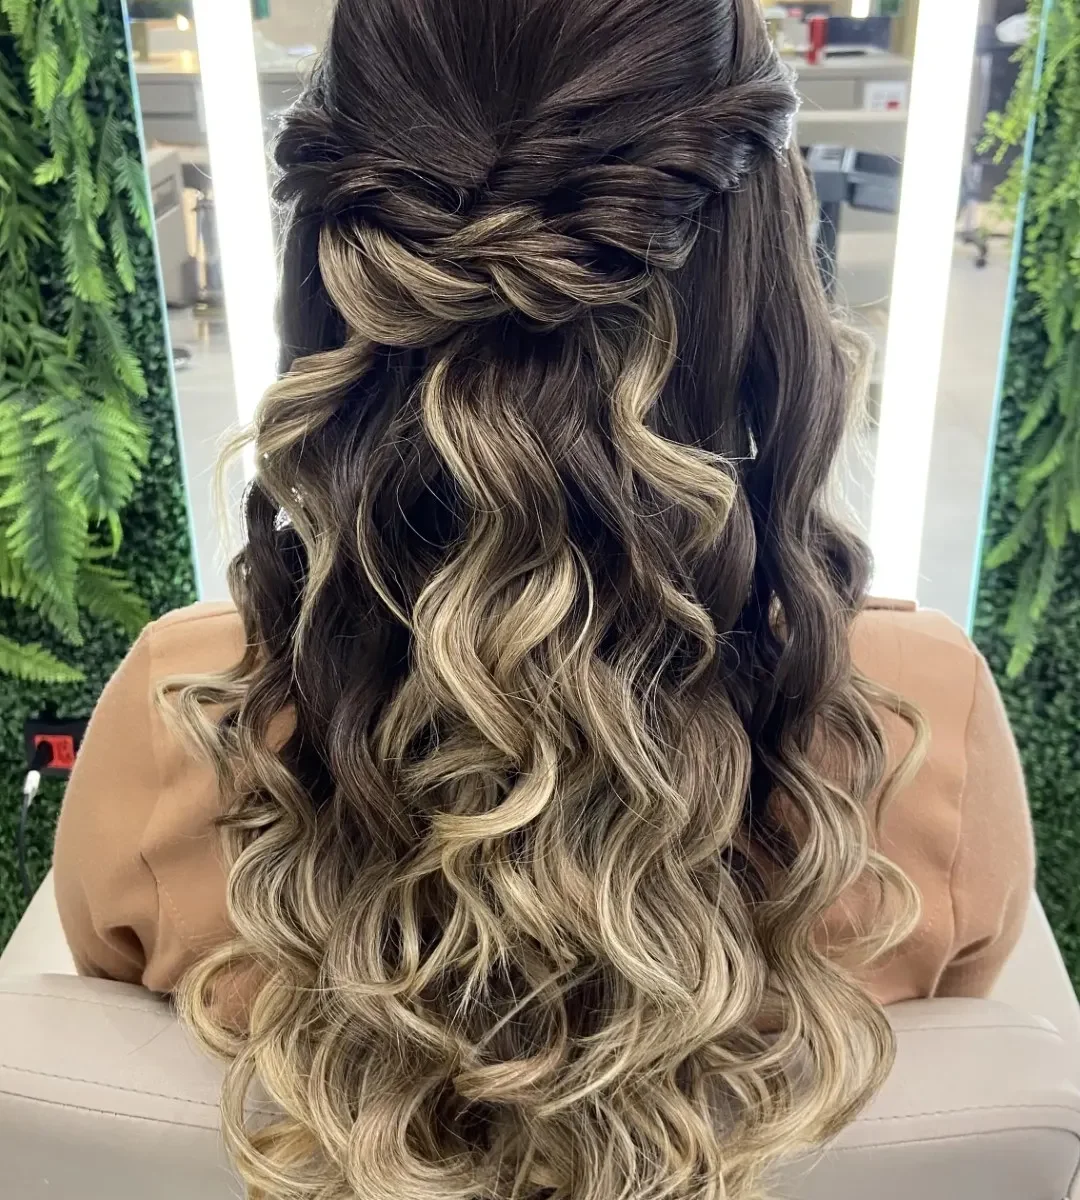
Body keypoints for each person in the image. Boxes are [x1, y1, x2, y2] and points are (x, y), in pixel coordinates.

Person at [53, 0, 1034, 1196]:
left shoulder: (186, 714)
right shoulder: (921, 723)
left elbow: (112, 1028)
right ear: (765, 283)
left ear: (332, 272)